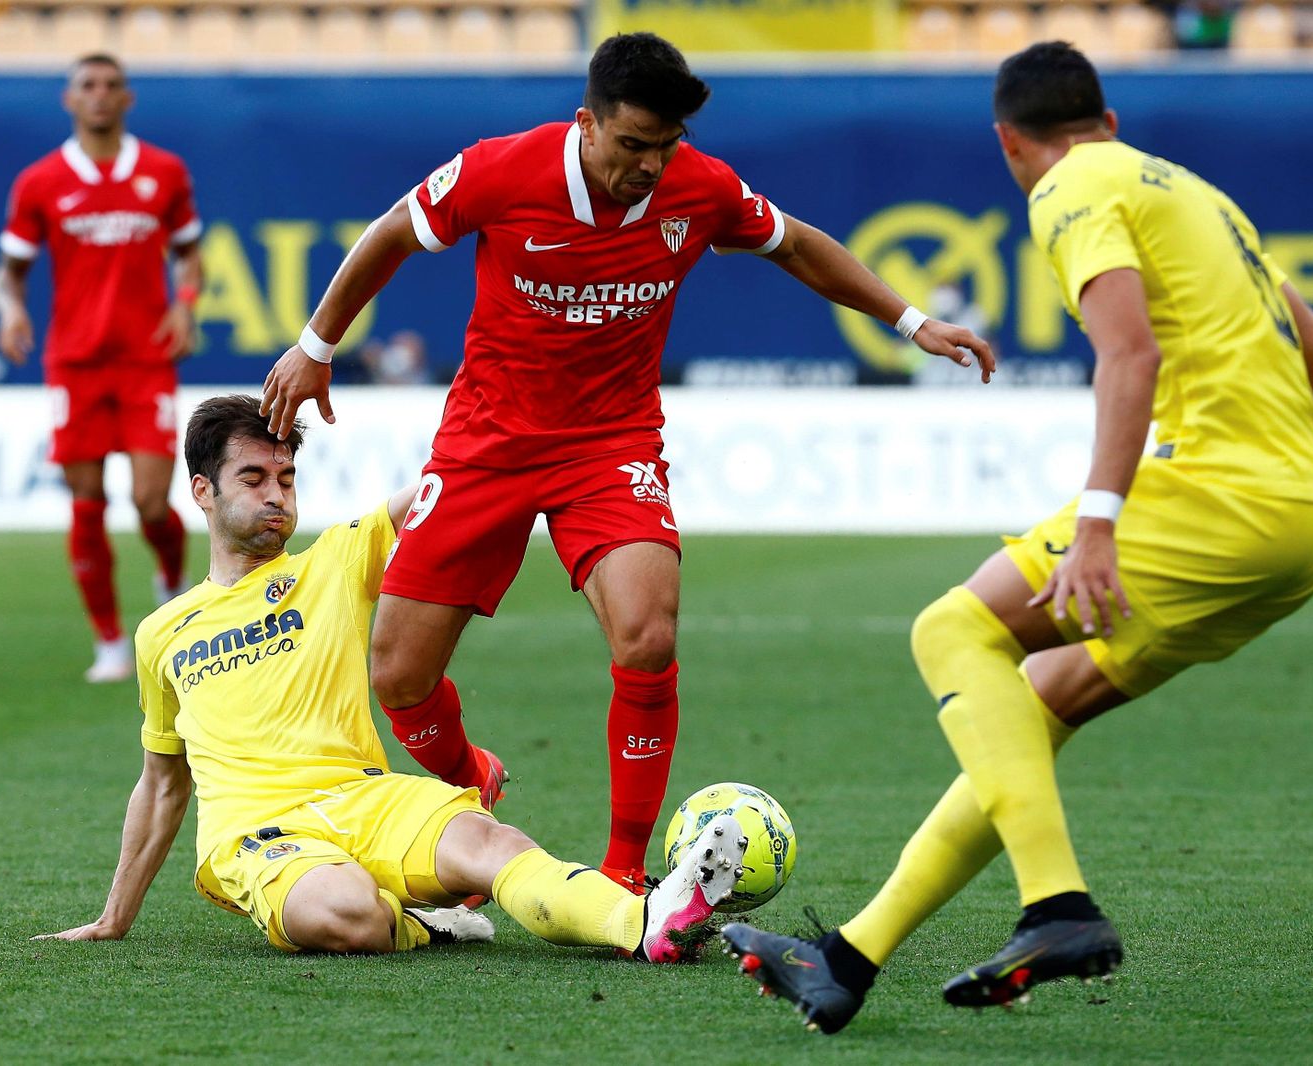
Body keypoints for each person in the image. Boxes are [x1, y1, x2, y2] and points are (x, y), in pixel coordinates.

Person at [722, 41, 1313, 1032]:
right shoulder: (1204, 201)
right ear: (1108, 121)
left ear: (1009, 144)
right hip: (1294, 533)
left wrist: (1098, 523)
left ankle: (1056, 908)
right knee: (1029, 707)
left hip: (1216, 497)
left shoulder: (1067, 187)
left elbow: (1129, 351)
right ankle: (848, 956)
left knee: (951, 632)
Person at [260, 32, 994, 895]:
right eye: (633, 144)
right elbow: (391, 233)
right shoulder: (502, 172)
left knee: (647, 638)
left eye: (666, 146)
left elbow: (797, 244)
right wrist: (316, 345)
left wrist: (913, 323)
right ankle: (471, 780)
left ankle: (626, 873)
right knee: (399, 674)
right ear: (588, 124)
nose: (650, 165)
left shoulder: (703, 189)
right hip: (486, 444)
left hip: (612, 445)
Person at [34, 394, 748, 961]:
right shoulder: (164, 633)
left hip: (364, 800)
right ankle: (429, 927)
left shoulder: (334, 560)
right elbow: (163, 783)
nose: (276, 494)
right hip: (258, 835)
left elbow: (447, 489)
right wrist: (113, 918)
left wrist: (529, 428)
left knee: (496, 845)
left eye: (286, 477)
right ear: (203, 491)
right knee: (347, 913)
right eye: (253, 478)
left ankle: (647, 922)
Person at [0, 53, 203, 683]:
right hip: (75, 362)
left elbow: (190, 256)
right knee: (85, 500)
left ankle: (171, 577)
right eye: (88, 86)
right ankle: (109, 643)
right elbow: (10, 272)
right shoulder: (41, 181)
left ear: (127, 98)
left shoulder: (163, 172)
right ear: (70, 99)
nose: (101, 95)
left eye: (112, 85)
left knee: (150, 499)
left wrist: (185, 305)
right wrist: (9, 311)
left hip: (145, 359)